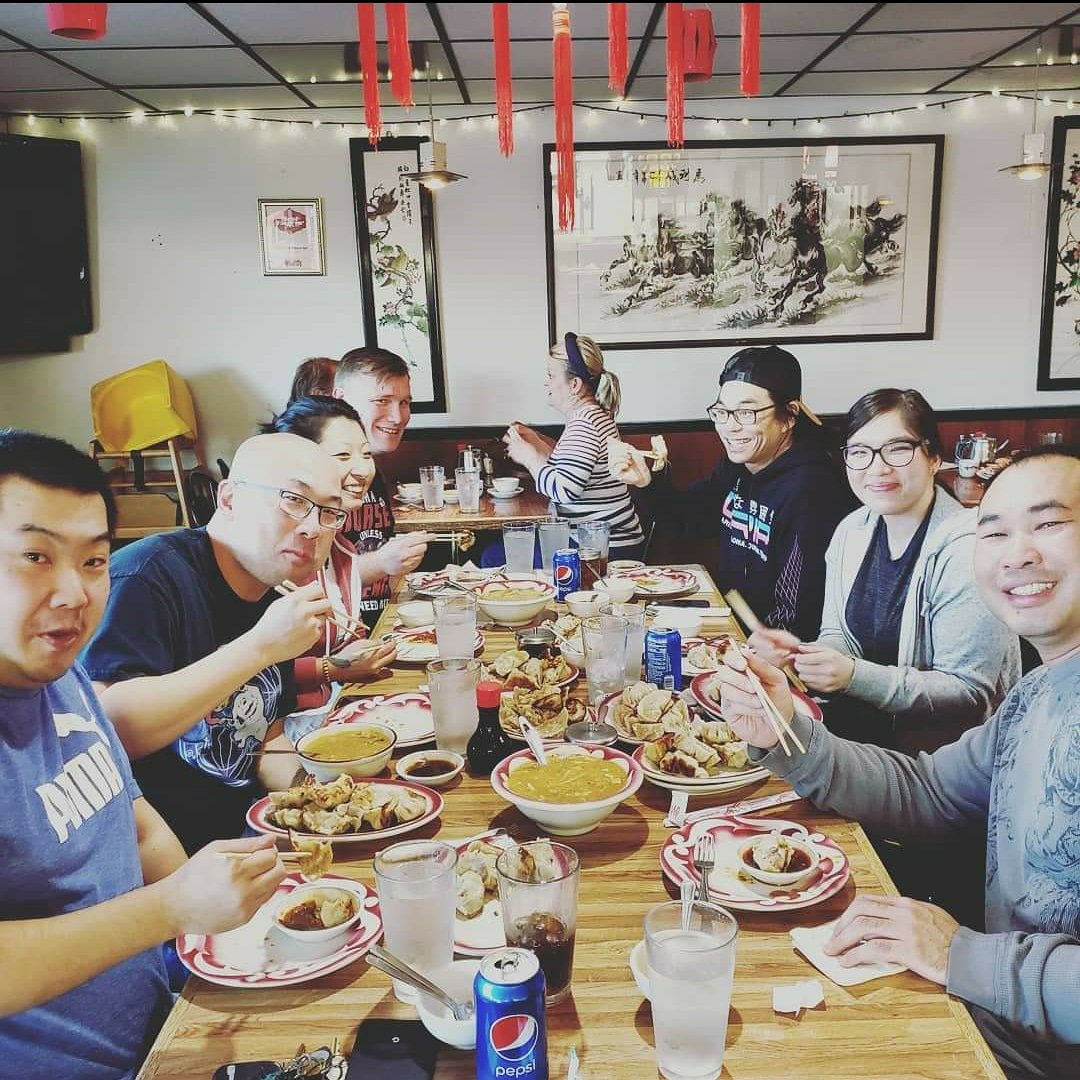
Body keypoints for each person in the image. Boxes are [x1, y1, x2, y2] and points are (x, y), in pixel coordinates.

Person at [714, 447, 1080, 1080]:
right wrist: (785, 730)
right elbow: (929, 791)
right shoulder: (1037, 692)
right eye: (994, 532)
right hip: (984, 1020)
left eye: (1048, 523)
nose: (1017, 554)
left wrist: (959, 953)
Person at [0, 429, 286, 1080]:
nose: (74, 593)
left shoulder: (63, 678)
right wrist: (172, 909)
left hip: (165, 1027)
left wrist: (217, 930)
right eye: (36, 556)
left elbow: (133, 822)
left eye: (94, 560)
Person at [81, 433, 343, 853]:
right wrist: (261, 646)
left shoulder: (271, 600)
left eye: (329, 512)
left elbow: (266, 742)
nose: (313, 527)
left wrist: (321, 795)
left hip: (244, 840)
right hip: (157, 864)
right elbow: (110, 727)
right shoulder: (148, 576)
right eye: (294, 499)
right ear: (229, 498)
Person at [750, 388, 1021, 753]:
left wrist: (852, 676)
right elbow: (838, 633)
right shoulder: (852, 530)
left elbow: (967, 692)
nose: (877, 468)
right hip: (863, 738)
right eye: (859, 452)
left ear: (933, 458)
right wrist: (804, 657)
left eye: (897, 449)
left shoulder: (969, 549)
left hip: (948, 759)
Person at [611, 345, 854, 640]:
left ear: (789, 416)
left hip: (779, 651)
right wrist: (647, 482)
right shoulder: (738, 466)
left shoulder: (812, 488)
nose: (729, 427)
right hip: (734, 629)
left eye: (746, 412)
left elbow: (798, 610)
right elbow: (689, 519)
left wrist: (756, 652)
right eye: (722, 412)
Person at [259, 395, 398, 709]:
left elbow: (347, 634)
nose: (362, 469)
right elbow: (247, 666)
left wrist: (367, 649)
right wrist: (331, 669)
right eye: (343, 455)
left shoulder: (340, 548)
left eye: (366, 454)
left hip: (332, 703)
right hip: (284, 720)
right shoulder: (277, 556)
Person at [503, 332, 645, 563]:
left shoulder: (584, 425)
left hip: (603, 548)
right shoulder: (594, 416)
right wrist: (537, 442)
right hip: (606, 541)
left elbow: (565, 491)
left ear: (575, 384)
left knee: (494, 557)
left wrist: (529, 457)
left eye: (551, 375)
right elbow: (573, 468)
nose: (546, 382)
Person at [333, 347, 428, 629]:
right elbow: (308, 584)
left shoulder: (372, 468)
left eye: (404, 403)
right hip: (341, 638)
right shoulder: (315, 475)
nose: (398, 417)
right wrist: (381, 563)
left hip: (384, 624)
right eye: (382, 401)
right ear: (340, 399)